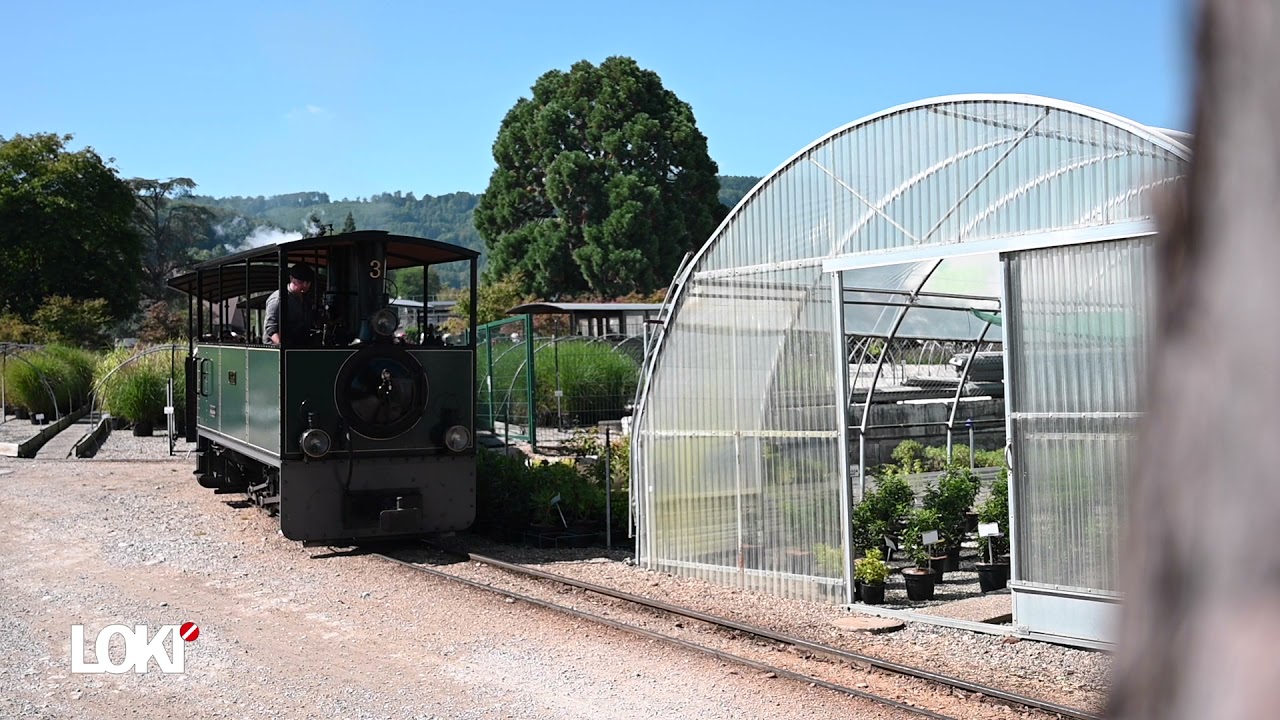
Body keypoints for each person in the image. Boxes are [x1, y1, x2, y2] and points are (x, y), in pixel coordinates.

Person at [264, 262, 315, 346]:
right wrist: (283, 346)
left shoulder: (307, 300)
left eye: (308, 282)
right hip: (276, 347)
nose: (305, 285)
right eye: (300, 282)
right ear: (291, 278)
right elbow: (271, 328)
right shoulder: (278, 299)